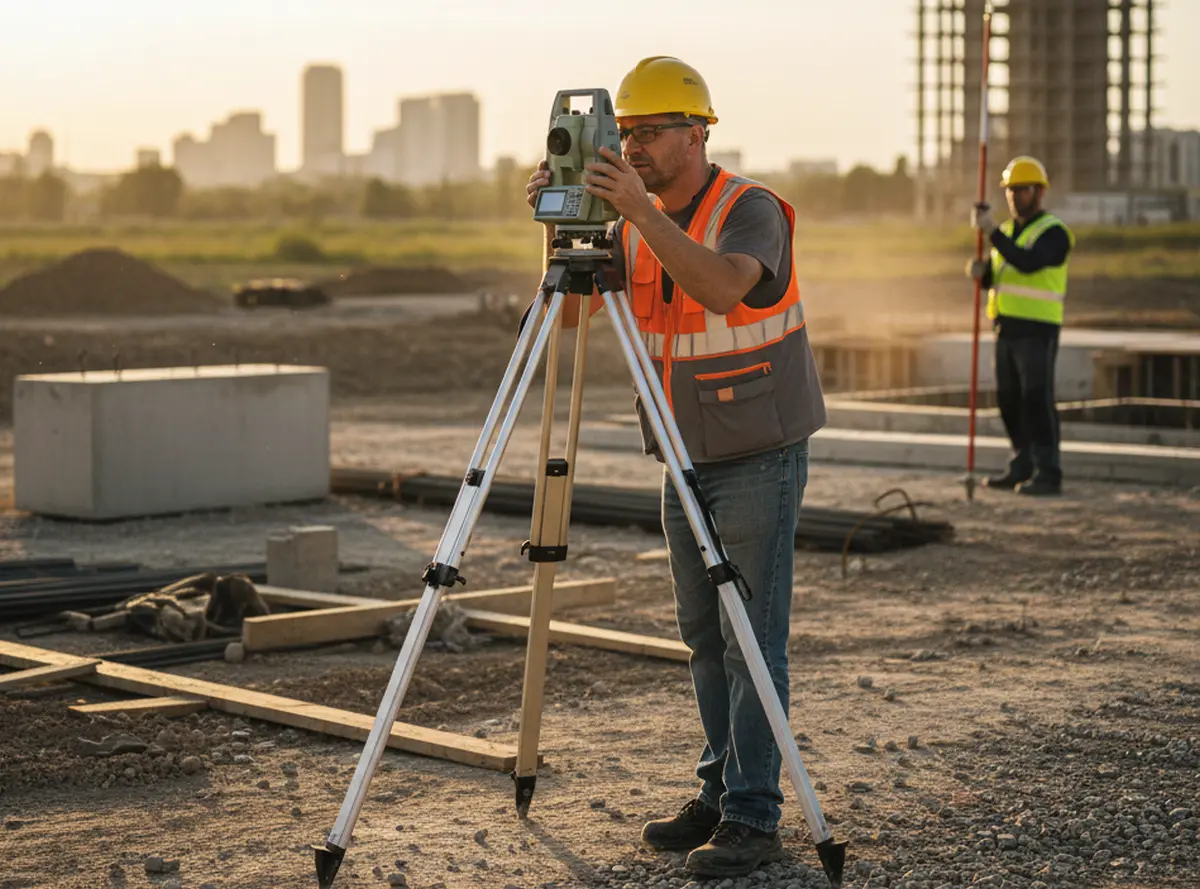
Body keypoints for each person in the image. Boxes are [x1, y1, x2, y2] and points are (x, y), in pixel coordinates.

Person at [527, 56, 826, 878]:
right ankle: (718, 790)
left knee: (750, 641)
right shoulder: (631, 222)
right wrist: (562, 226)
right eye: (626, 132)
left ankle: (754, 815)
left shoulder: (748, 209)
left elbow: (725, 288)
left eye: (651, 132)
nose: (634, 146)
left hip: (758, 453)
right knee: (703, 638)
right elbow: (567, 322)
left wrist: (635, 212)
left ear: (698, 134)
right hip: (684, 457)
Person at [969, 156, 1075, 497]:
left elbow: (1028, 263)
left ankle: (1048, 471)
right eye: (1011, 190)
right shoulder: (1008, 233)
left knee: (1036, 400)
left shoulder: (1054, 233)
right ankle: (1022, 462)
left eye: (1023, 189)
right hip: (1006, 328)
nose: (1015, 196)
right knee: (1009, 400)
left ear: (1040, 192)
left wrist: (990, 231)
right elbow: (1001, 277)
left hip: (1038, 328)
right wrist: (982, 273)